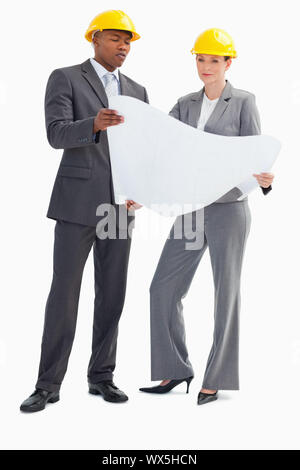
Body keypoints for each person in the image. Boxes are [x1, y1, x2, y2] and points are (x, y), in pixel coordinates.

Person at [20, 10, 149, 412]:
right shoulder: (66, 77)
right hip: (77, 205)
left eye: (128, 40)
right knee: (64, 294)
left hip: (119, 208)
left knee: (112, 294)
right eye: (115, 38)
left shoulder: (138, 90)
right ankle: (47, 384)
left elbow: (145, 149)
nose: (123, 46)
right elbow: (55, 133)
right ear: (94, 39)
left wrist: (141, 188)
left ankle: (101, 377)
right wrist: (93, 123)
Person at [136, 28, 274, 405]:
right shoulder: (184, 104)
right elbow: (160, 147)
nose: (206, 66)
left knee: (224, 294)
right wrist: (140, 190)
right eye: (201, 58)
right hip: (191, 208)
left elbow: (256, 154)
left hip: (229, 209)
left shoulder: (244, 101)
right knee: (162, 288)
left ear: (229, 63)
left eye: (215, 59)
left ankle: (216, 379)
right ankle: (175, 369)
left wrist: (263, 178)